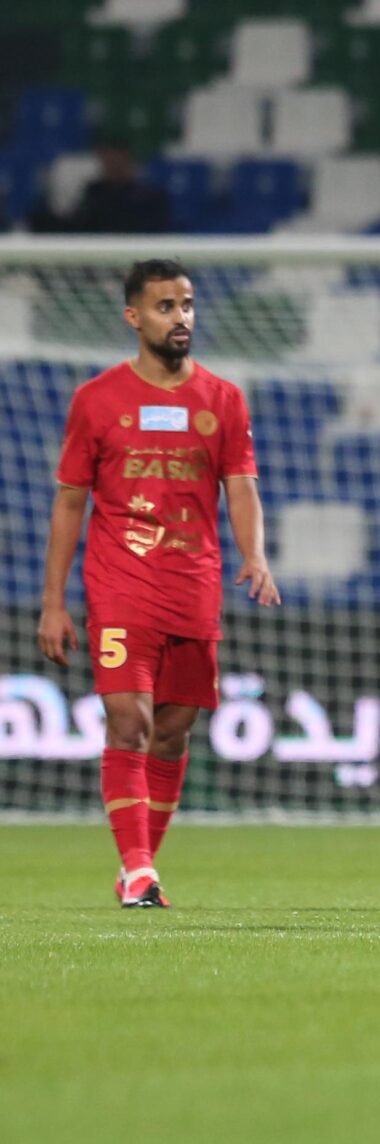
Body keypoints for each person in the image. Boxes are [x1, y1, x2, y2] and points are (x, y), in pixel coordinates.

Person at [39, 258, 278, 908]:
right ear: (134, 316)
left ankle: (139, 867)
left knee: (172, 732)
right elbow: (70, 501)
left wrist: (255, 555)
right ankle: (140, 869)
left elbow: (241, 486)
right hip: (119, 583)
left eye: (187, 304)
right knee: (129, 722)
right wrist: (54, 602)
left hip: (192, 586)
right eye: (165, 306)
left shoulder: (223, 399)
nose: (180, 317)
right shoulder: (97, 399)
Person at [29, 140, 171, 236]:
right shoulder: (95, 191)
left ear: (128, 161)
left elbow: (154, 232)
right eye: (108, 161)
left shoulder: (150, 197)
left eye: (117, 162)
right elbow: (79, 227)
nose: (112, 166)